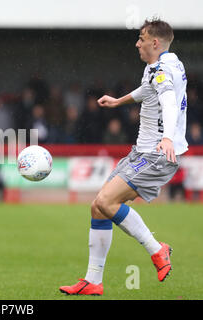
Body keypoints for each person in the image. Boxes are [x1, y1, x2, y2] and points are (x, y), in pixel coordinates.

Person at [59, 19, 188, 295]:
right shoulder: (164, 64)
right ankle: (93, 281)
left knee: (106, 201)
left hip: (157, 152)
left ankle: (157, 249)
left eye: (141, 38)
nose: (137, 43)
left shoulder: (163, 69)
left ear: (155, 42)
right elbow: (148, 90)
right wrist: (119, 101)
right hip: (142, 151)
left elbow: (167, 101)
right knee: (98, 206)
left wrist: (167, 138)